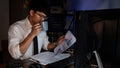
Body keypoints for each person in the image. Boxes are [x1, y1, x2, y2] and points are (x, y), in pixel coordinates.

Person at [8, 0, 65, 68]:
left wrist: (56, 43)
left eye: (45, 17)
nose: (43, 20)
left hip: (36, 64)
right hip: (21, 65)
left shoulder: (42, 26)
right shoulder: (16, 28)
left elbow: (46, 46)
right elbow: (15, 55)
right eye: (41, 16)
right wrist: (32, 34)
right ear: (32, 12)